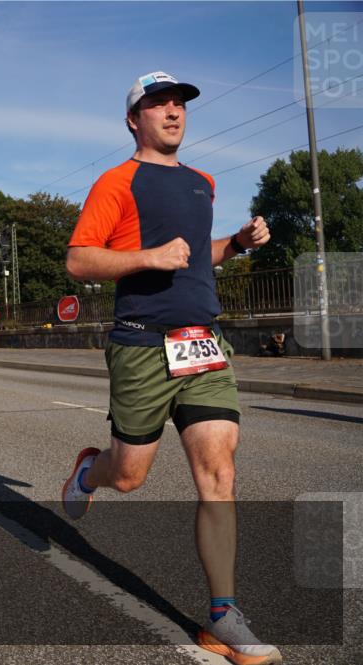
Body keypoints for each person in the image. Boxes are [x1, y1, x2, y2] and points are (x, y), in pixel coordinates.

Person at [62, 71, 277, 665]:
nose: (172, 112)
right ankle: (89, 472)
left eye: (178, 103)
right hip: (140, 345)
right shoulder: (118, 181)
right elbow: (80, 259)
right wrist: (146, 258)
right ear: (135, 120)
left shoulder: (202, 183)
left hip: (202, 345)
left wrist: (235, 243)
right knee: (129, 476)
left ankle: (222, 615)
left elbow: (195, 256)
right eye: (157, 104)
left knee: (218, 472)